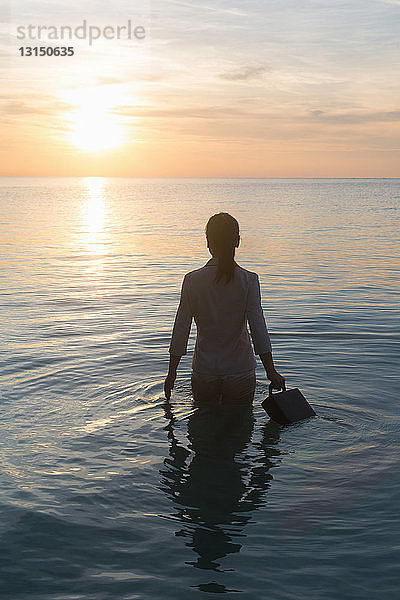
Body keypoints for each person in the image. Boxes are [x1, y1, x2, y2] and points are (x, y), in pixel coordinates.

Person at [164, 212, 285, 405]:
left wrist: (172, 373)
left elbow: (181, 329)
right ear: (237, 241)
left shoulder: (192, 280)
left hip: (205, 371)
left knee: (204, 431)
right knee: (240, 429)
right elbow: (258, 328)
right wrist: (271, 371)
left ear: (207, 242)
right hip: (240, 371)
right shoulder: (249, 280)